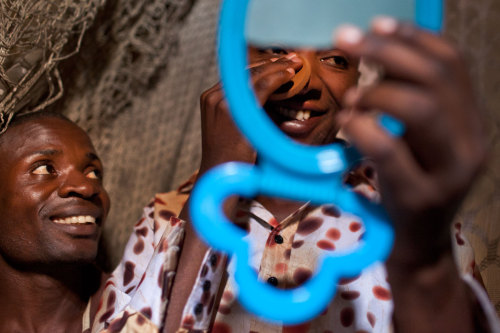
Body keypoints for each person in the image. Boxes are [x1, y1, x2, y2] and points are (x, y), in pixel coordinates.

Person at [159, 18, 500, 332]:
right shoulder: (167, 216)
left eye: (335, 59)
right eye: (277, 49)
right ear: (235, 62)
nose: (303, 81)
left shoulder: (410, 215)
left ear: (358, 78)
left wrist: (424, 265)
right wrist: (217, 174)